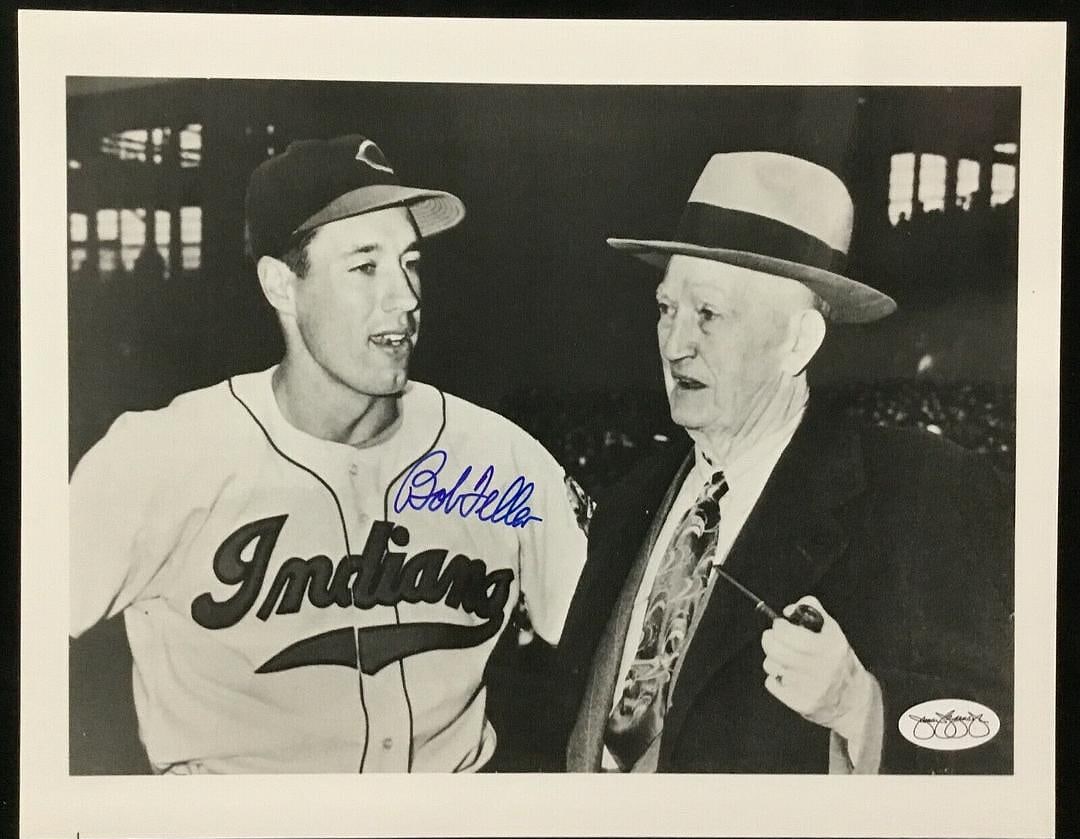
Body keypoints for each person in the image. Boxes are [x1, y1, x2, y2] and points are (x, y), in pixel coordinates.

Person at [69, 134, 590, 774]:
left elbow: (620, 660)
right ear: (281, 286)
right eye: (365, 266)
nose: (405, 298)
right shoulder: (162, 458)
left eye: (411, 262)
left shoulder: (502, 458)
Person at [555, 151, 1013, 774]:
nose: (674, 343)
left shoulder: (919, 494)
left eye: (708, 314)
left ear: (798, 341)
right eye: (667, 309)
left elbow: (997, 739)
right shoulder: (629, 500)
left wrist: (862, 706)